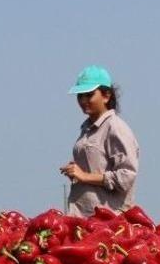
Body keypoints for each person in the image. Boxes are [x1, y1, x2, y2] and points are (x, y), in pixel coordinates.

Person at [60, 65, 140, 216]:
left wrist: (85, 175)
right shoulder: (87, 129)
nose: (83, 100)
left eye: (89, 95)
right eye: (80, 96)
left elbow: (126, 176)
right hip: (83, 217)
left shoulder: (115, 128)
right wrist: (77, 171)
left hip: (107, 222)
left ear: (106, 96)